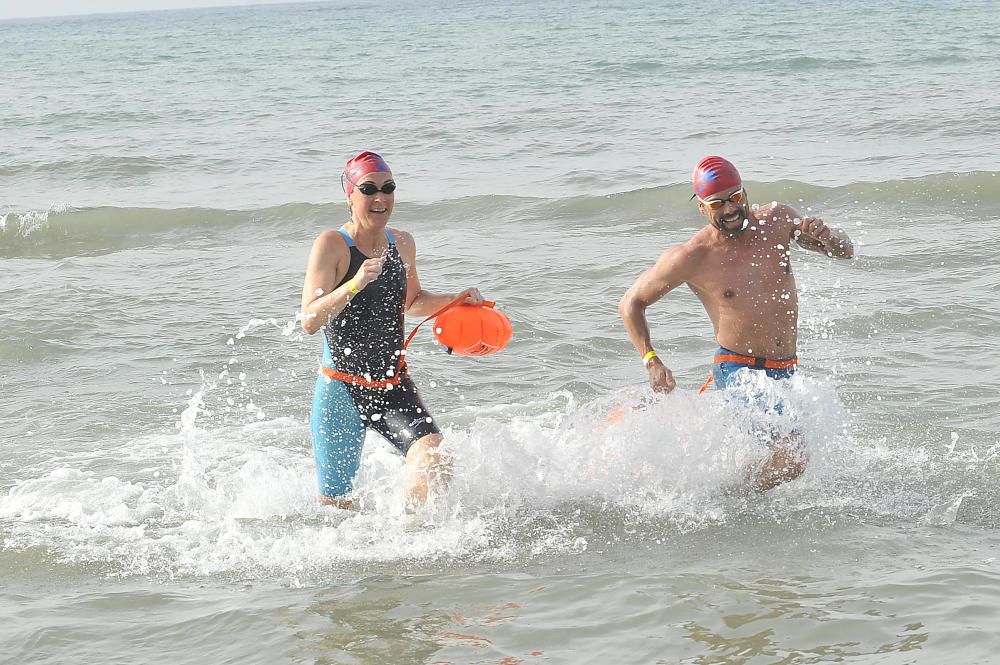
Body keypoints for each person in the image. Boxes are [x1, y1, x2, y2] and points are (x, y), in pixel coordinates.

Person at [619, 156, 854, 491]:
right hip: (739, 370)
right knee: (794, 453)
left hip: (785, 370)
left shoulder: (777, 221)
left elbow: (844, 252)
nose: (729, 209)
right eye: (717, 203)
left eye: (735, 198)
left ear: (745, 193)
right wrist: (651, 361)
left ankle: (731, 497)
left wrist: (827, 236)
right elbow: (631, 303)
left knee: (784, 456)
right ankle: (737, 501)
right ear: (701, 208)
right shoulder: (691, 257)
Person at [300, 150, 484, 508]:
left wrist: (456, 300)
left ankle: (408, 537)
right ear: (349, 194)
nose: (380, 198)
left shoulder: (402, 243)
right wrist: (355, 283)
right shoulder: (332, 245)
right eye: (369, 189)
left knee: (434, 462)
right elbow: (309, 319)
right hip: (341, 392)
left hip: (392, 386)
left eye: (388, 188)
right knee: (337, 508)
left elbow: (411, 302)